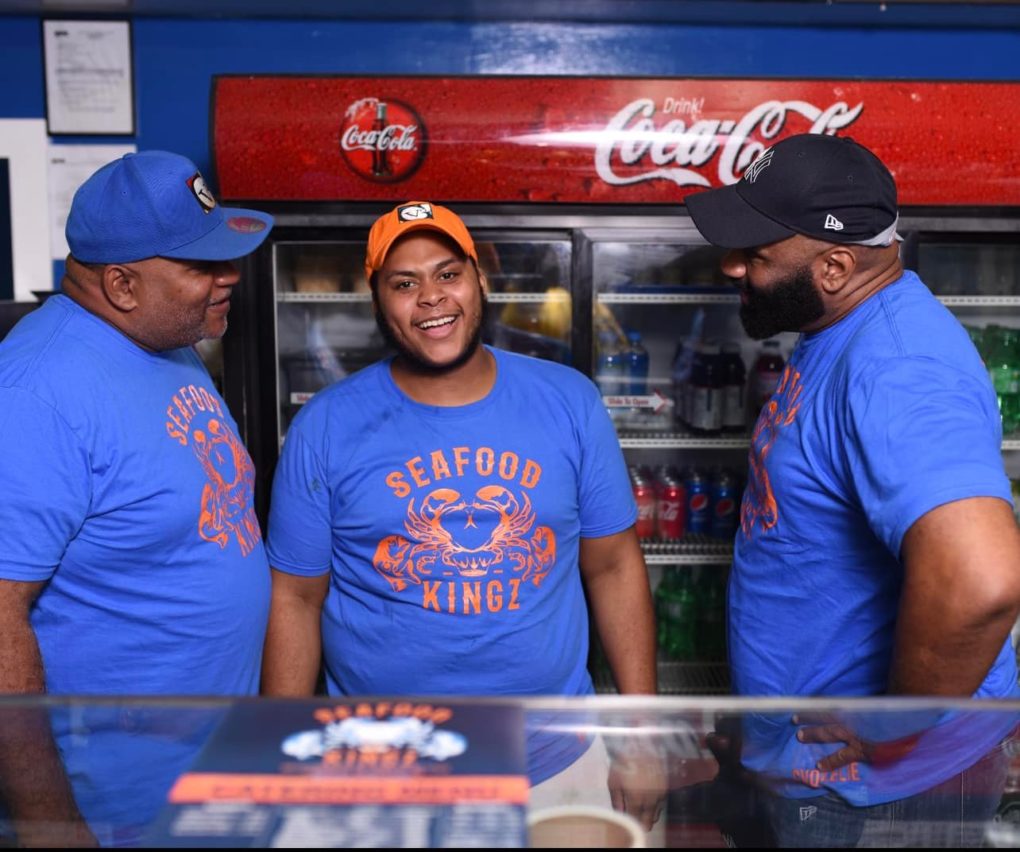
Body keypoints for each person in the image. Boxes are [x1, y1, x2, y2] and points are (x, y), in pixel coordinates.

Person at [261, 200, 665, 832]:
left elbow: (613, 567)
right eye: (404, 283)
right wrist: (280, 757)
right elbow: (294, 599)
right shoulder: (326, 426)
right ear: (379, 301)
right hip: (383, 771)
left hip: (554, 760)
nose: (430, 298)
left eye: (447, 274)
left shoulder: (568, 402)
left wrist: (642, 736)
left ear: (481, 281)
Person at [684, 132, 1020, 847]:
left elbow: (984, 579)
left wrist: (891, 722)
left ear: (836, 266)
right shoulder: (842, 324)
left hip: (877, 791)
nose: (733, 265)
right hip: (818, 768)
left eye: (758, 255)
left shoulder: (899, 368)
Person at [0, 150, 274, 846]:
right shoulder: (34, 395)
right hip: (115, 803)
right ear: (121, 283)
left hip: (205, 771)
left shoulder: (165, 341)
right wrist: (48, 824)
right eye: (202, 266)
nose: (230, 277)